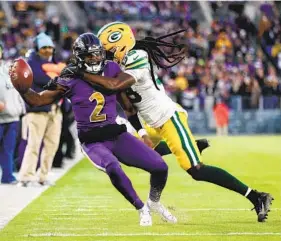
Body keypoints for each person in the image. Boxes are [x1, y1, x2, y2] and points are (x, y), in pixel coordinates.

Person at [62, 22, 273, 222]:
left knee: (196, 170)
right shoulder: (117, 65)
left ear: (120, 46)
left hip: (168, 117)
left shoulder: (137, 56)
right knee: (134, 152)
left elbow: (114, 86)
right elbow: (129, 107)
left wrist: (80, 73)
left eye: (107, 52)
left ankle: (256, 196)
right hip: (150, 122)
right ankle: (185, 146)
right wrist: (141, 132)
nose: (104, 57)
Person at [9, 33, 176, 226]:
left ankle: (154, 202)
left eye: (98, 54)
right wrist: (22, 89)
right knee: (113, 166)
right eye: (90, 55)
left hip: (116, 134)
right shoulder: (69, 78)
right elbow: (37, 100)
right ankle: (141, 208)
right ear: (80, 57)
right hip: (92, 140)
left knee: (160, 167)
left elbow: (124, 101)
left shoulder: (112, 68)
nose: (96, 59)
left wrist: (141, 131)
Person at [17, 33, 63, 187]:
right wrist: (59, 78)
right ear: (37, 48)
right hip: (37, 110)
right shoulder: (31, 62)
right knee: (34, 144)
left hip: (55, 110)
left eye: (50, 47)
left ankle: (43, 176)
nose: (47, 50)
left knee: (52, 145)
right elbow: (41, 79)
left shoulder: (55, 63)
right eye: (44, 47)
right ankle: (26, 177)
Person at [0, 43, 25, 184]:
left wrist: (21, 107)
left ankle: (7, 176)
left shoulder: (8, 69)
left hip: (13, 115)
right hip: (1, 117)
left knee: (8, 149)